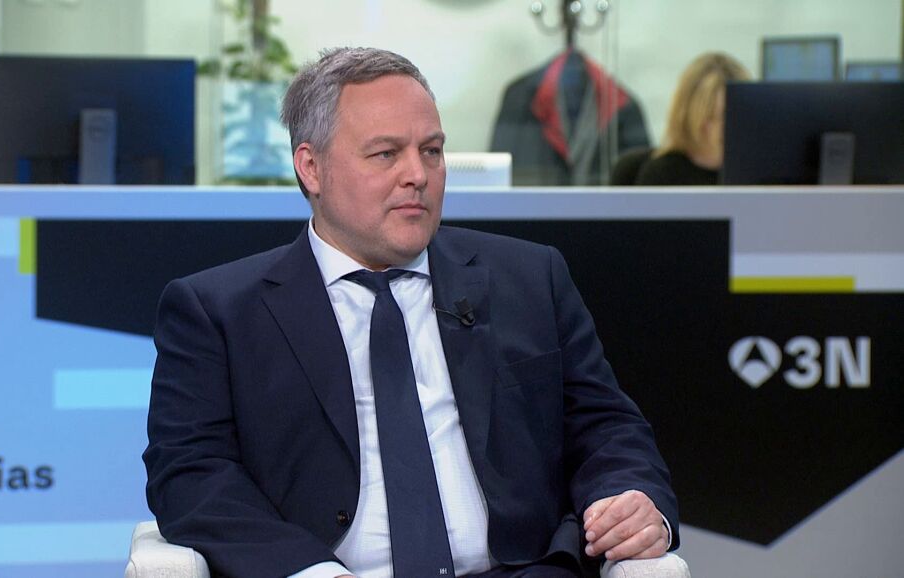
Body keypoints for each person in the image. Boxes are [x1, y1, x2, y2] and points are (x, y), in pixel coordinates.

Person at [144, 47, 679, 578]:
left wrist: (632, 497)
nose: (418, 175)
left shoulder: (531, 277)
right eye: (385, 154)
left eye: (431, 151)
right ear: (311, 167)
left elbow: (606, 426)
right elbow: (191, 475)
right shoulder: (218, 312)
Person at [635, 52, 750, 186]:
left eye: (725, 116)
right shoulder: (660, 174)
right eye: (709, 116)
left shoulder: (757, 172)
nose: (716, 127)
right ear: (687, 115)